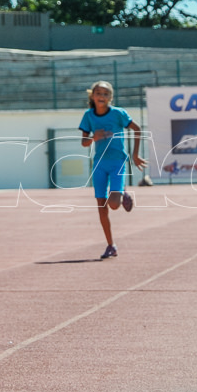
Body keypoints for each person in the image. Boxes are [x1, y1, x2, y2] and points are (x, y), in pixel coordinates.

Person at [79, 81, 147, 260]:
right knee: (102, 209)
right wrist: (95, 137)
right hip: (99, 165)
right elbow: (84, 142)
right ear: (92, 96)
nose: (102, 96)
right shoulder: (88, 116)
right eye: (99, 93)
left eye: (106, 94)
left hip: (117, 162)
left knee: (114, 205)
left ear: (111, 97)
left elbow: (137, 129)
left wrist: (135, 155)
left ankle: (123, 193)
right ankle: (111, 245)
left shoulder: (118, 114)